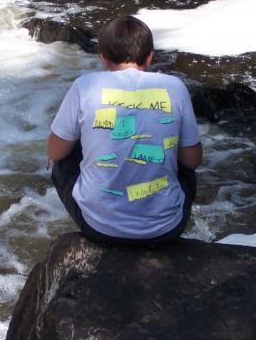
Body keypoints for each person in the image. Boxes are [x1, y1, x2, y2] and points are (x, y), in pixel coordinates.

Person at [47, 16, 202, 246]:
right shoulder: (175, 87)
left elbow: (54, 152)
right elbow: (193, 161)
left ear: (103, 57)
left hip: (98, 228)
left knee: (64, 149)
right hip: (166, 229)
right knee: (183, 152)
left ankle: (105, 208)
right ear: (150, 56)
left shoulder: (85, 86)